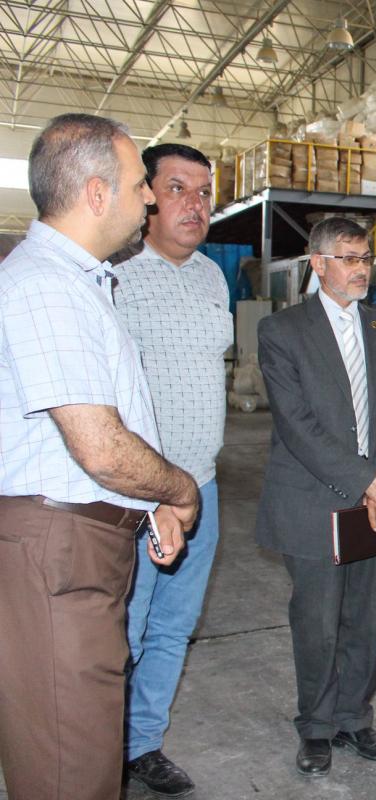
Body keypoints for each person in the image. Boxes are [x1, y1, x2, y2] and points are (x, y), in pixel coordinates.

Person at [0, 114, 198, 800]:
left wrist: (148, 505)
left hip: (78, 545)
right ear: (95, 192)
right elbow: (100, 447)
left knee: (79, 750)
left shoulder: (79, 282)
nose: (149, 199)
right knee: (70, 768)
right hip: (59, 546)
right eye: (142, 184)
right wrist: (177, 490)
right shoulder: (48, 286)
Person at [255, 217, 376, 778]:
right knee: (319, 623)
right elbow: (297, 426)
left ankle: (354, 718)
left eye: (365, 258)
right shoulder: (282, 331)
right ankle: (317, 727)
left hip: (375, 502)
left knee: (367, 619)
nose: (361, 269)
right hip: (313, 499)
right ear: (318, 263)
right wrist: (365, 479)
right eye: (348, 258)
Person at [112, 143, 234, 798]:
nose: (196, 204)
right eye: (178, 188)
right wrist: (148, 487)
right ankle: (99, 750)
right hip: (134, 494)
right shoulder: (116, 278)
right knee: (122, 631)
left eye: (205, 191)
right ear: (147, 197)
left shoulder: (213, 278)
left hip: (202, 487)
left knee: (173, 628)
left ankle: (142, 745)